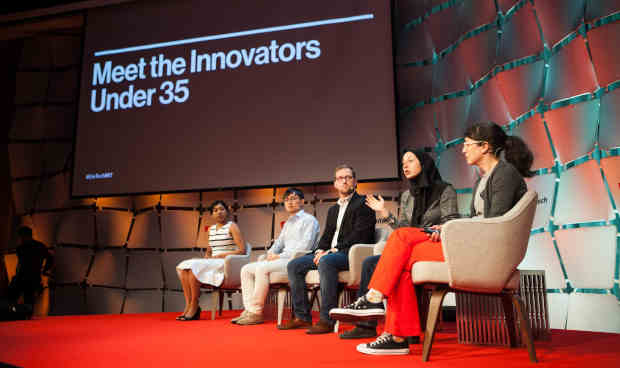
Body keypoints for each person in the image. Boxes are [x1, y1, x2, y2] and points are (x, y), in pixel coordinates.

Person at [332, 121, 534, 355]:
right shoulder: (483, 179)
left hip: (486, 253)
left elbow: (493, 224)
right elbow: (478, 222)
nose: (463, 149)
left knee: (401, 243)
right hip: (472, 246)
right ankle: (396, 336)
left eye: (467, 144)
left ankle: (375, 298)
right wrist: (446, 229)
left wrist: (450, 228)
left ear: (485, 147)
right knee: (403, 262)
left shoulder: (504, 174)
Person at [334, 150, 459, 340]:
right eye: (402, 163)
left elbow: (452, 222)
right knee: (370, 263)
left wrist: (441, 228)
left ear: (424, 163)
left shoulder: (445, 190)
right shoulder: (408, 196)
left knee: (393, 262)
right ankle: (367, 325)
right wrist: (384, 213)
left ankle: (373, 299)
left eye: (410, 161)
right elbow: (402, 230)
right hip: (410, 245)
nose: (405, 166)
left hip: (433, 243)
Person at [278, 164, 376, 334]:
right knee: (294, 265)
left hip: (350, 253)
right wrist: (320, 250)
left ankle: (327, 320)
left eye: (348, 177)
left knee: (326, 261)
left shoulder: (364, 204)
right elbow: (327, 236)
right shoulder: (333, 209)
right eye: (340, 178)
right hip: (330, 253)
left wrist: (333, 250)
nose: (344, 181)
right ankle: (302, 316)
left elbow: (361, 236)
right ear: (335, 184)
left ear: (355, 182)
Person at [233, 188, 320, 325]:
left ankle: (256, 312)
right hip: (282, 259)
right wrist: (270, 254)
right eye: (287, 200)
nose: (290, 202)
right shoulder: (288, 223)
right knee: (246, 269)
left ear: (302, 201)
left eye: (293, 198)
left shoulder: (309, 220)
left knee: (262, 269)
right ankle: (249, 310)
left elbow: (305, 247)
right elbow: (278, 243)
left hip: (296, 260)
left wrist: (279, 257)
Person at [176, 200, 245, 321]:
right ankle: (189, 304)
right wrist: (207, 256)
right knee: (184, 267)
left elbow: (242, 250)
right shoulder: (211, 229)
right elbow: (210, 249)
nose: (219, 212)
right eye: (215, 210)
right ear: (212, 214)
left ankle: (194, 306)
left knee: (193, 269)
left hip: (225, 261)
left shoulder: (232, 226)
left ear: (227, 211)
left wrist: (222, 255)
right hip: (213, 261)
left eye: (222, 209)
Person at [7, 226, 53, 315]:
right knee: (26, 300)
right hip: (30, 277)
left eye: (21, 236)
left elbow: (21, 264)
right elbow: (50, 258)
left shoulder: (22, 248)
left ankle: (15, 315)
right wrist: (44, 270)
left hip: (26, 277)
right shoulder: (38, 246)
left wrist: (44, 270)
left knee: (18, 298)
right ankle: (23, 316)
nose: (21, 239)